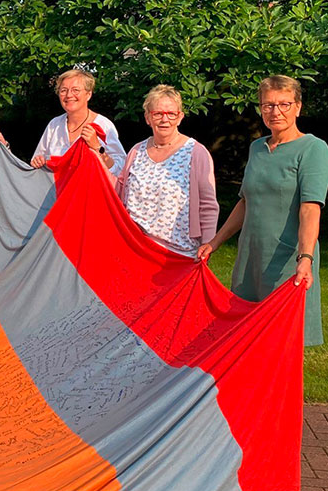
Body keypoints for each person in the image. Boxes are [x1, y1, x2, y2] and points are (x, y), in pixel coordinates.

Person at [198, 75, 328, 346]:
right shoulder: (257, 147)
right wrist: (215, 242)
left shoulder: (313, 148)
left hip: (286, 259)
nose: (275, 111)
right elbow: (245, 201)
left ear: (298, 107)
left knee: (281, 340)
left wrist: (305, 257)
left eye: (284, 104)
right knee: (246, 336)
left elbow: (310, 209)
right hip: (251, 257)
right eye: (268, 105)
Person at [116, 85, 218, 256]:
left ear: (180, 117)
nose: (165, 119)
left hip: (179, 253)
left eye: (171, 114)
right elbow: (118, 191)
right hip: (135, 249)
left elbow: (208, 205)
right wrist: (96, 157)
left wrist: (207, 245)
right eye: (158, 114)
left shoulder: (196, 152)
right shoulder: (136, 151)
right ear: (148, 117)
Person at [30, 68, 125, 173]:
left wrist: (98, 148)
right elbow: (38, 159)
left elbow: (121, 168)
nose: (69, 95)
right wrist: (38, 161)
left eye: (75, 90)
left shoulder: (103, 125)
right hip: (56, 189)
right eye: (63, 90)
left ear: (88, 95)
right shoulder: (54, 125)